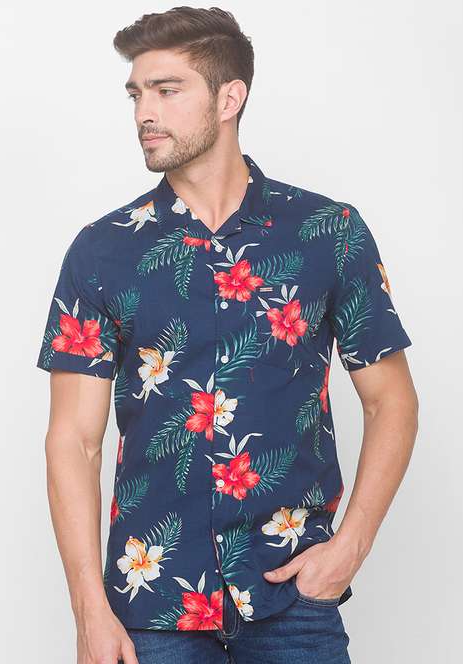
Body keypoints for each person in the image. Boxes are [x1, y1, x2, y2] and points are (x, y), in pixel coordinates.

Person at [36, 6, 419, 664]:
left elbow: (393, 401)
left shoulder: (328, 232)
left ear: (228, 99)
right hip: (151, 611)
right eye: (136, 94)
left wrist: (349, 548)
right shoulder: (101, 252)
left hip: (291, 597)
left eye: (167, 90)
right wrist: (88, 610)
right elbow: (73, 440)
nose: (144, 113)